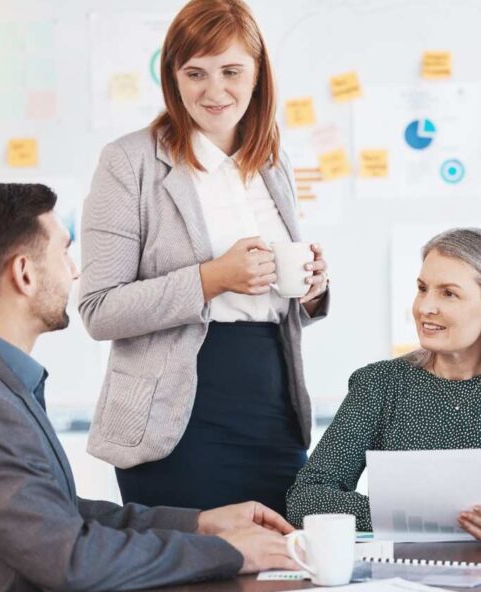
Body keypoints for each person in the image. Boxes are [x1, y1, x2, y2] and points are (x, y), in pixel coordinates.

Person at [0, 183, 300, 591]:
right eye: (64, 252)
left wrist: (199, 525)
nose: (75, 271)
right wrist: (232, 553)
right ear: (24, 273)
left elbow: (53, 514)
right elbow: (72, 559)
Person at [79, 0, 329, 514]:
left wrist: (311, 290)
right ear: (173, 78)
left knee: (282, 566)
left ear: (258, 74)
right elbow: (99, 309)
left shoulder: (273, 160)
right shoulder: (129, 162)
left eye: (231, 71)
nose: (215, 91)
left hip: (271, 402)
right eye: (195, 73)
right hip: (174, 417)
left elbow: (276, 300)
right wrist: (211, 279)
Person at [286, 229, 481, 542]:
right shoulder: (379, 384)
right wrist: (399, 515)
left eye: (448, 293)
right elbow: (306, 497)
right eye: (422, 289)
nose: (425, 307)